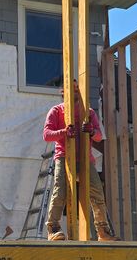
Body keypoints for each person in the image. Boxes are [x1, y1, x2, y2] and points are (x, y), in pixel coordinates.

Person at [43, 82, 116, 242]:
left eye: (77, 88)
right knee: (60, 192)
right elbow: (47, 135)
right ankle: (53, 228)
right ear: (63, 92)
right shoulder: (56, 110)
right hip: (64, 156)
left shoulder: (88, 113)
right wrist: (63, 132)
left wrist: (92, 131)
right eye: (72, 88)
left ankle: (102, 231)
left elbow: (98, 136)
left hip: (85, 158)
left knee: (97, 192)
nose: (75, 91)